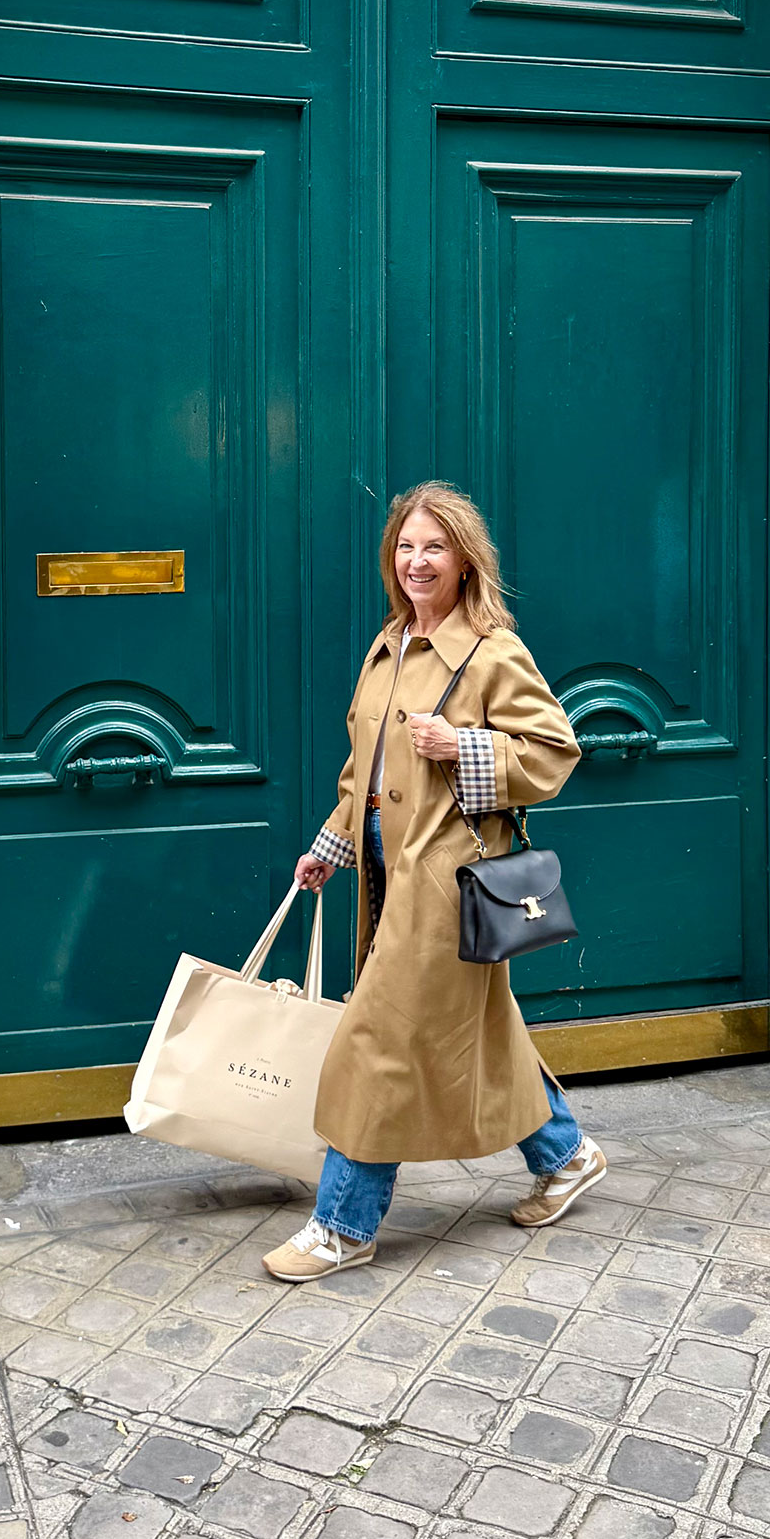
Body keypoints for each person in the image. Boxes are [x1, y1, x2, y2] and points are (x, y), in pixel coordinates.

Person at [263, 480, 604, 1282]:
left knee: (378, 1041)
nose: (418, 561)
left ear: (463, 560)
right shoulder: (387, 646)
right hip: (384, 878)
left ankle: (344, 1224)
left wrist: (468, 747)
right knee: (481, 1031)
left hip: (448, 887)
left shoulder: (492, 652)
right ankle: (566, 1153)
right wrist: (333, 846)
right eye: (406, 547)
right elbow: (365, 774)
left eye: (434, 548)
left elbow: (554, 752)